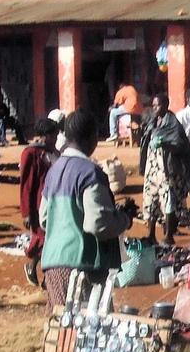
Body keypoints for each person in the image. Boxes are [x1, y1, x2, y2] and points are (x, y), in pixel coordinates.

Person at [39, 109, 132, 308]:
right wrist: (124, 219)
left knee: (63, 332)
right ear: (91, 138)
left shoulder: (54, 171)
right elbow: (98, 224)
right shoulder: (90, 173)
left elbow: (44, 219)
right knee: (89, 332)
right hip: (83, 267)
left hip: (54, 265)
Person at [139, 94, 190, 242]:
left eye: (158, 105)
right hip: (153, 168)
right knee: (150, 199)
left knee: (168, 200)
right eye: (154, 105)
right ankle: (151, 234)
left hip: (167, 168)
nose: (155, 108)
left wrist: (164, 144)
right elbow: (146, 138)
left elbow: (180, 145)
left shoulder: (173, 123)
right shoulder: (153, 121)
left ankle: (169, 235)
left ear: (165, 105)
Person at [20, 116, 59, 286]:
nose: (56, 140)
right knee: (44, 239)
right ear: (44, 136)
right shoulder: (30, 154)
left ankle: (41, 273)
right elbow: (26, 184)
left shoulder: (54, 153)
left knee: (51, 239)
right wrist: (27, 212)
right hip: (37, 204)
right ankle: (44, 274)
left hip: (55, 202)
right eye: (53, 136)